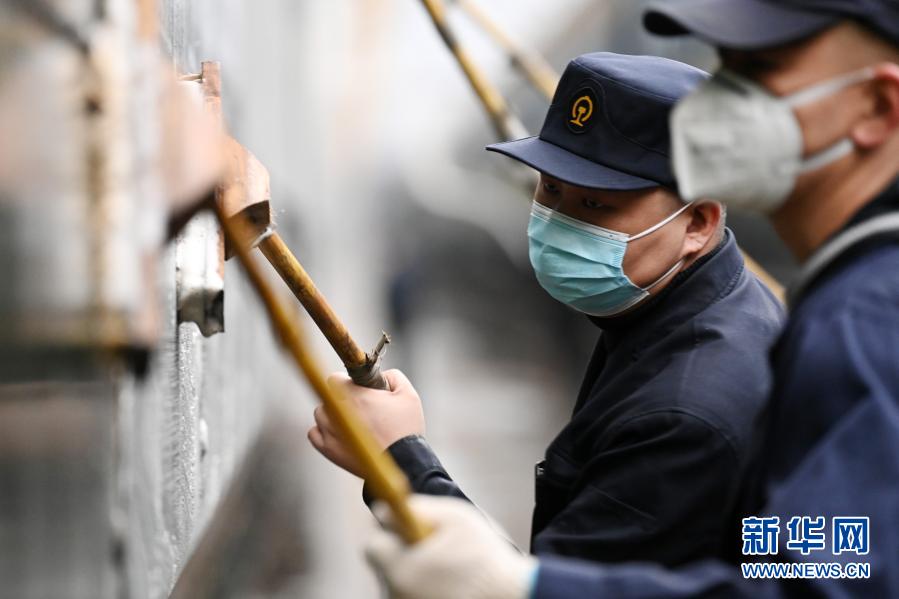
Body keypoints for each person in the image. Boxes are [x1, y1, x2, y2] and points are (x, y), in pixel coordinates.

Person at [361, 1, 899, 597]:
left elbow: (830, 582)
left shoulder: (848, 328)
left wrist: (409, 467)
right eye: (550, 190)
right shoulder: (709, 310)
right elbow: (793, 562)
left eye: (763, 69)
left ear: (698, 223)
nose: (724, 108)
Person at [309, 52, 784, 567]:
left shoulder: (684, 416)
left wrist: (398, 460)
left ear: (697, 223)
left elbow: (544, 589)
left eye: (596, 204)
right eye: (551, 188)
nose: (559, 221)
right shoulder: (680, 311)